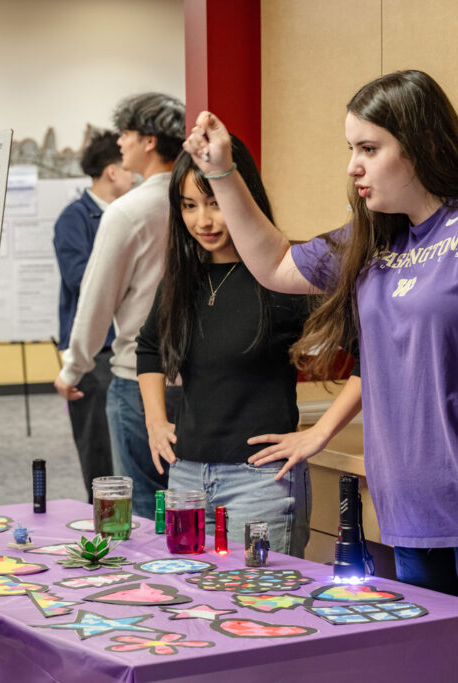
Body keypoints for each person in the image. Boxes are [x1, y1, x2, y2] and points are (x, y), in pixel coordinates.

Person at [183, 70, 458, 682]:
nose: (353, 167)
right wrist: (222, 174)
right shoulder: (378, 240)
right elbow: (277, 264)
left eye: (369, 149)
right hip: (414, 519)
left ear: (419, 144)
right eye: (351, 150)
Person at [136, 136, 317, 557]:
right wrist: (155, 421)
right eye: (189, 205)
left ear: (242, 195)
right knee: (191, 603)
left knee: (264, 611)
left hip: (261, 483)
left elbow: (371, 350)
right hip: (186, 480)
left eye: (215, 201)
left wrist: (316, 436)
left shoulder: (287, 276)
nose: (204, 220)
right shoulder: (183, 280)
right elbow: (148, 347)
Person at [55, 92, 185, 519]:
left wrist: (73, 368)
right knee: (193, 505)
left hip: (136, 378)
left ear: (149, 141)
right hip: (203, 381)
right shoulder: (208, 201)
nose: (120, 144)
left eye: (126, 135)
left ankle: (155, 588)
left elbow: (95, 300)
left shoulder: (128, 211)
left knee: (146, 508)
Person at [53, 130, 136, 502]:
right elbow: (80, 280)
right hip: (95, 350)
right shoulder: (73, 218)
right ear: (112, 171)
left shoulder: (131, 214)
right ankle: (102, 527)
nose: (136, 176)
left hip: (129, 347)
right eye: (128, 168)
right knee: (97, 449)